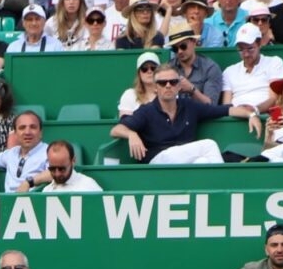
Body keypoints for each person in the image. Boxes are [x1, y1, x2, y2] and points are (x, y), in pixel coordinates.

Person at [112, 65, 262, 163]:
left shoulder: (189, 106)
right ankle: (224, 184)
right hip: (157, 161)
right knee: (209, 145)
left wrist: (251, 115)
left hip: (184, 161)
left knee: (202, 162)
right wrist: (132, 134)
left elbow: (226, 109)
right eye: (163, 83)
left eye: (173, 82)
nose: (168, 86)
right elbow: (116, 130)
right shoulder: (147, 110)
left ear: (179, 86)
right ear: (156, 87)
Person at [0, 110, 50, 192]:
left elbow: (54, 172)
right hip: (8, 202)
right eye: (22, 128)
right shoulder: (11, 153)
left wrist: (29, 182)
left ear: (40, 133)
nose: (27, 132)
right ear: (15, 134)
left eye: (33, 127)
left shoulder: (48, 152)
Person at [220, 24, 283, 113]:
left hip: (265, 116)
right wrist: (245, 113)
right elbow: (226, 106)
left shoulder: (274, 62)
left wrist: (254, 110)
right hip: (236, 117)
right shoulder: (229, 71)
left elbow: (274, 98)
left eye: (250, 48)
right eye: (241, 50)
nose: (246, 54)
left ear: (259, 44)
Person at [167, 19, 223, 104]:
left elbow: (211, 104)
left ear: (194, 42)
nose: (179, 51)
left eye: (183, 46)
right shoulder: (168, 68)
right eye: (175, 48)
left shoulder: (210, 68)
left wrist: (192, 89)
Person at [118, 51, 160, 117]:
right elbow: (125, 124)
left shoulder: (166, 92)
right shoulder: (130, 95)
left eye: (153, 68)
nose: (149, 71)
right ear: (139, 73)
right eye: (144, 68)